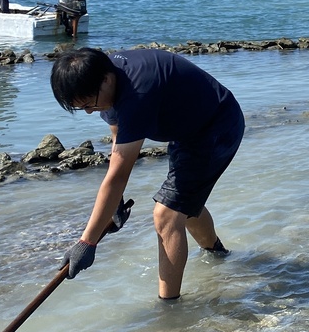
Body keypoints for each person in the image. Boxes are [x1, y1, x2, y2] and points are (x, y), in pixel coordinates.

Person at [51, 47, 243, 301]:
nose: (89, 111)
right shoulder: (105, 82)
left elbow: (119, 174)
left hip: (217, 126)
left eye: (89, 105)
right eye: (82, 108)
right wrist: (114, 202)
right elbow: (118, 139)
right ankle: (218, 254)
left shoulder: (137, 90)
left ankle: (169, 311)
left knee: (166, 214)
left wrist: (87, 242)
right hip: (186, 132)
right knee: (183, 206)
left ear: (106, 79)